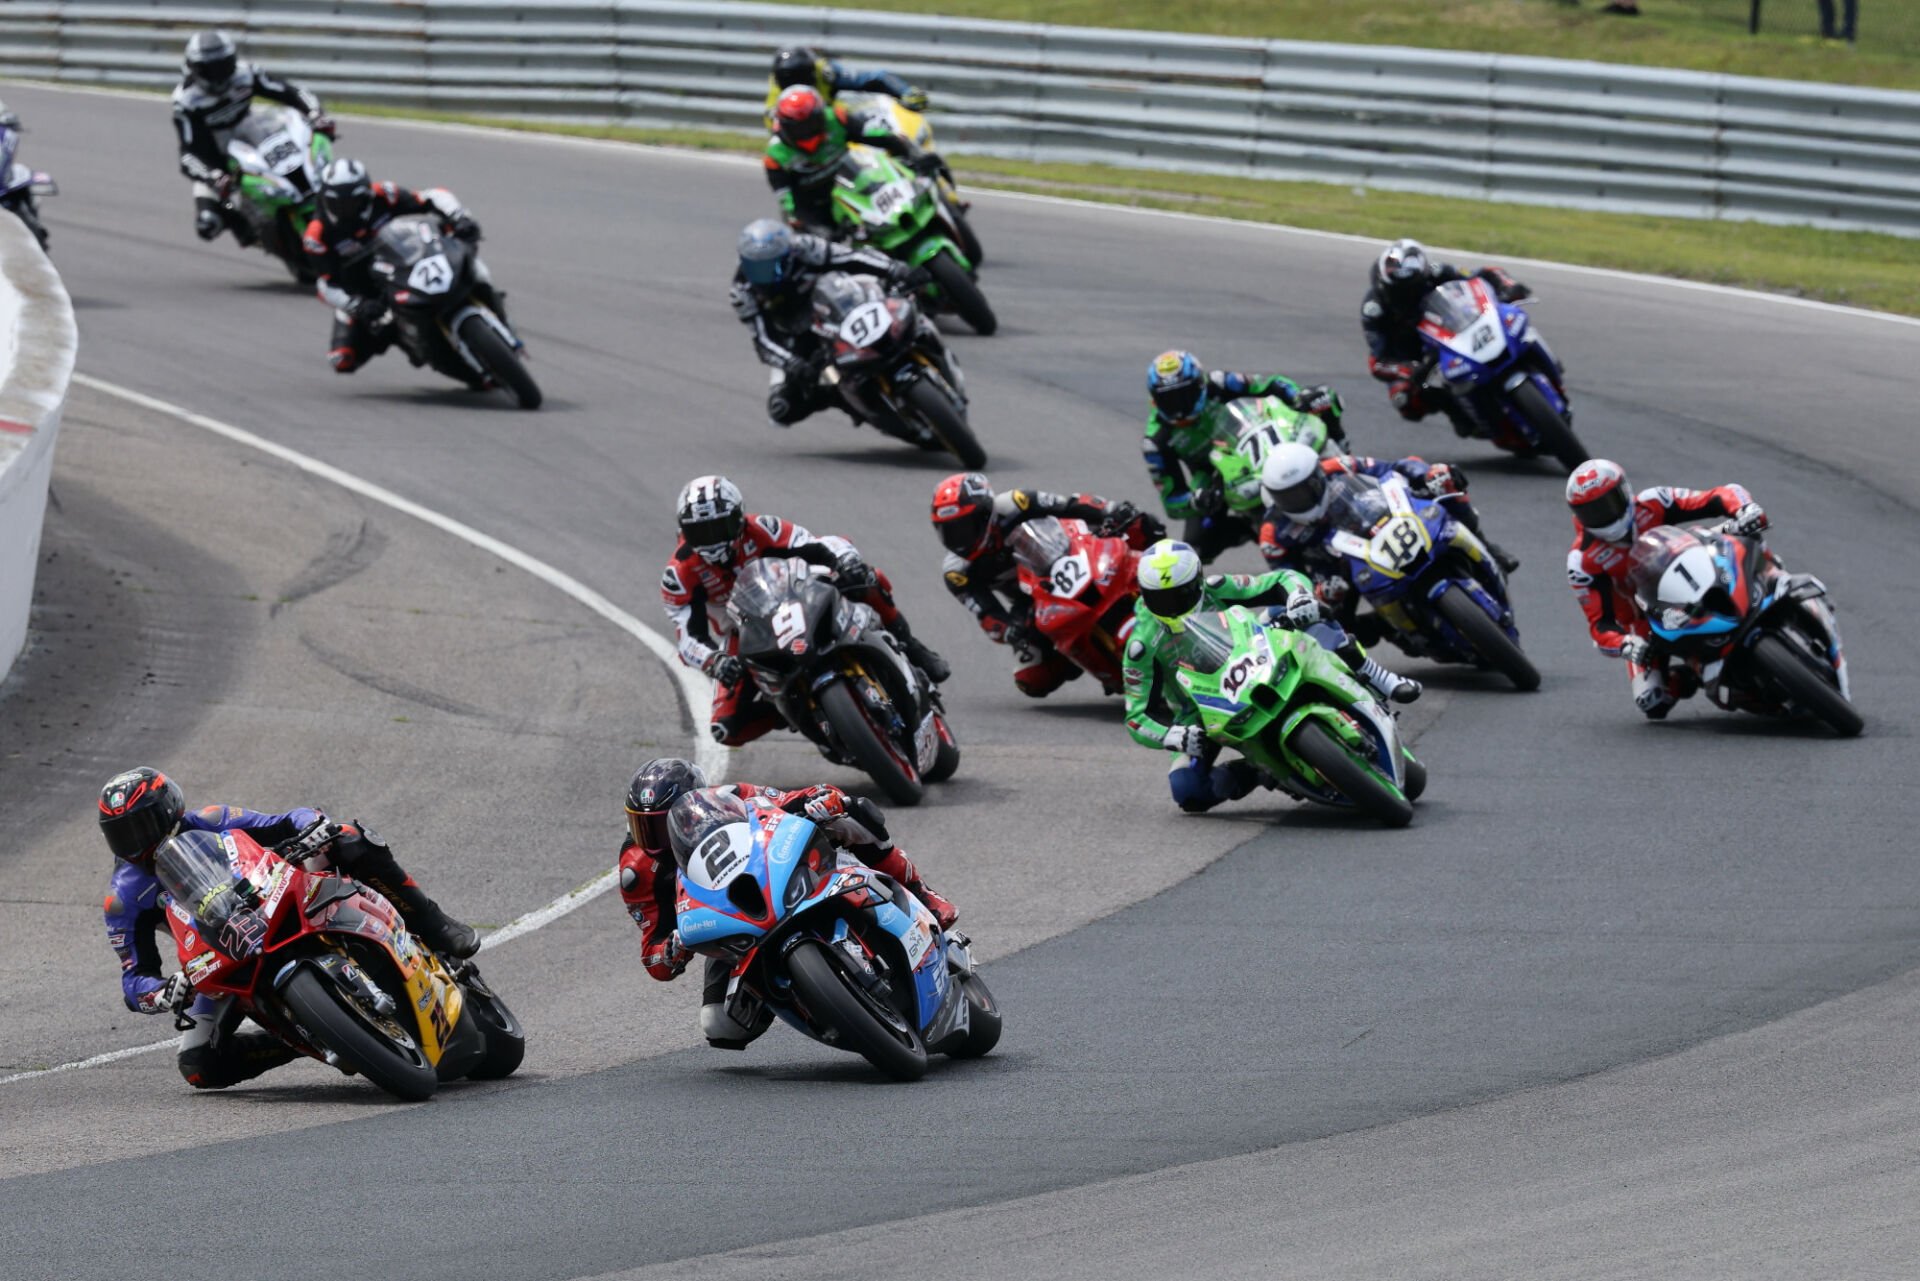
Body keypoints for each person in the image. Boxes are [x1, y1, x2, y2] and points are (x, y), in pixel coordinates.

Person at [96, 766, 479, 1090]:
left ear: (169, 809)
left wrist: (314, 826)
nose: (136, 842)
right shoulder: (122, 899)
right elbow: (134, 980)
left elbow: (282, 821)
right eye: (122, 834)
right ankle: (302, 1037)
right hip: (219, 952)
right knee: (198, 1065)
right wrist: (162, 993)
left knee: (349, 837)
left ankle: (435, 924)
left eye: (143, 825)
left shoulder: (211, 819)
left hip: (274, 894)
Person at [616, 760, 957, 1049]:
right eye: (644, 826)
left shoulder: (729, 799)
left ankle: (922, 891)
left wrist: (820, 800)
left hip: (775, 876)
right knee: (719, 1026)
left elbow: (792, 799)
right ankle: (804, 999)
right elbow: (652, 955)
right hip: (729, 924)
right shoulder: (637, 871)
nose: (655, 838)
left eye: (663, 824)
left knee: (851, 811)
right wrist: (672, 950)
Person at [1124, 540, 1421, 813]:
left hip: (1252, 651)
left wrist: (1299, 598)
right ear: (1144, 594)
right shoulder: (1142, 644)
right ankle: (1258, 771)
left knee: (1305, 615)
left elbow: (1282, 578)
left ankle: (1376, 676)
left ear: (1198, 582)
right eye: (1160, 598)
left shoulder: (1215, 588)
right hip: (1200, 712)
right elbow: (1137, 716)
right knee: (1187, 790)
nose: (1172, 605)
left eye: (1181, 595)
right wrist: (1170, 735)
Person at [664, 475, 949, 746]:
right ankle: (789, 707)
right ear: (684, 532)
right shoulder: (680, 573)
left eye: (720, 528)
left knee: (865, 578)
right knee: (725, 728)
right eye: (700, 532)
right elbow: (688, 637)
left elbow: (820, 544)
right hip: (746, 630)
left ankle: (911, 647)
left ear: (739, 519)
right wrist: (715, 661)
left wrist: (847, 562)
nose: (712, 541)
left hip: (795, 594)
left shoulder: (763, 528)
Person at [1564, 458, 1766, 719]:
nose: (1605, 515)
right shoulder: (1582, 560)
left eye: (1609, 503)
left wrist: (1745, 509)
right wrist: (1626, 644)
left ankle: (1770, 580)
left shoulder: (1653, 501)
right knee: (1651, 702)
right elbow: (1599, 625)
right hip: (1647, 621)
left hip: (1695, 567)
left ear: (1625, 491)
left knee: (1743, 534)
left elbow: (1716, 496)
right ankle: (1694, 675)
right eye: (1592, 512)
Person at [929, 472, 1164, 696]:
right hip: (1030, 601)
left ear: (984, 514)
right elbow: (987, 615)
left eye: (964, 527)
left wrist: (1110, 511)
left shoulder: (1015, 503)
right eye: (949, 531)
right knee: (1032, 679)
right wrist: (1011, 630)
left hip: (1070, 555)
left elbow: (1069, 505)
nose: (959, 539)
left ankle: (1175, 576)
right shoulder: (958, 572)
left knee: (1142, 524)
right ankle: (1070, 657)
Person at [1142, 350, 1350, 562]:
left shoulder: (1220, 382)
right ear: (1154, 400)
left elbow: (1272, 384)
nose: (1179, 408)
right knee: (1197, 547)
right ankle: (1251, 528)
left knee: (1321, 398)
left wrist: (1297, 397)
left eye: (1184, 396)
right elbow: (1172, 501)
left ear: (1200, 384)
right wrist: (1196, 500)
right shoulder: (1156, 441)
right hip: (1218, 476)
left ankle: (1344, 453)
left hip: (1263, 434)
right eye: (1167, 400)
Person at [730, 218, 928, 429]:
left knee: (901, 291)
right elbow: (762, 339)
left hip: (841, 298)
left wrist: (894, 268)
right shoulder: (743, 292)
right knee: (781, 409)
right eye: (755, 269)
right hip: (799, 335)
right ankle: (854, 402)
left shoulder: (806, 248)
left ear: (787, 256)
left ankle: (919, 333)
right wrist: (793, 364)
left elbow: (852, 257)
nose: (763, 277)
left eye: (771, 268)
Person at [301, 158, 487, 373]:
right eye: (337, 203)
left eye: (353, 201)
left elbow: (432, 196)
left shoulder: (385, 194)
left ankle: (485, 295)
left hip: (410, 261)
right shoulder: (317, 236)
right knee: (342, 359)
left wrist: (459, 217)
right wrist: (357, 305)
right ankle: (409, 342)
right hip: (368, 292)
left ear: (366, 194)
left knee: (466, 259)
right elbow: (326, 285)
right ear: (324, 199)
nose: (346, 209)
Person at [170, 29, 333, 244]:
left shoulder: (245, 74)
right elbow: (188, 154)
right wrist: (213, 176)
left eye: (223, 66)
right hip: (218, 161)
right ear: (195, 69)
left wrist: (315, 113)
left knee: (304, 159)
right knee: (208, 225)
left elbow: (290, 92)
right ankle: (254, 233)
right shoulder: (186, 102)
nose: (219, 75)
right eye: (210, 70)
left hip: (255, 136)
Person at [1360, 238, 1534, 436]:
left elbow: (1482, 274)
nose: (1407, 295)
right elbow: (1378, 361)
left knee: (1512, 319)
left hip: (1453, 328)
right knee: (1405, 400)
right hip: (1414, 355)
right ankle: (1458, 413)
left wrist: (1508, 285)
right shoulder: (1374, 310)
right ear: (1384, 284)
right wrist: (1406, 369)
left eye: (1412, 288)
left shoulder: (1436, 272)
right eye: (1399, 291)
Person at [765, 85, 943, 233]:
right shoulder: (775, 156)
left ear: (820, 116)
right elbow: (785, 198)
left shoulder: (836, 118)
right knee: (820, 247)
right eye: (798, 128)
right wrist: (801, 222)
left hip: (852, 182)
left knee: (909, 181)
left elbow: (876, 135)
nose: (805, 132)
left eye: (810, 124)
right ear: (784, 127)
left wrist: (911, 152)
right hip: (813, 205)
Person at [763, 46, 930, 126]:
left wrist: (905, 92)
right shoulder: (776, 90)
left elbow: (876, 78)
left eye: (801, 81)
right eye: (790, 83)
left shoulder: (826, 72)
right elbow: (772, 125)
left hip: (834, 127)